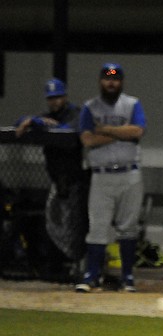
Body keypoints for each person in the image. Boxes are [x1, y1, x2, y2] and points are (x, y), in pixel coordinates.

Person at [75, 63, 147, 293]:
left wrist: (104, 130)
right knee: (97, 227)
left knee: (128, 227)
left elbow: (137, 132)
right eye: (107, 78)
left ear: (121, 82)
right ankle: (91, 275)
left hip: (130, 174)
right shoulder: (90, 107)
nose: (111, 82)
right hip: (101, 175)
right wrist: (120, 133)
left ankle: (127, 277)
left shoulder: (132, 103)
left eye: (115, 79)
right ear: (100, 81)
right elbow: (87, 140)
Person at [14, 78, 88, 278]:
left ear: (65, 96)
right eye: (51, 98)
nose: (54, 102)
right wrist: (33, 120)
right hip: (58, 180)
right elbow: (18, 123)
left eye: (58, 97)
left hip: (78, 181)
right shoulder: (47, 117)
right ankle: (61, 265)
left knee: (77, 226)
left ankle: (79, 267)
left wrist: (38, 123)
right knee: (55, 224)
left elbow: (66, 131)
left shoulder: (77, 113)